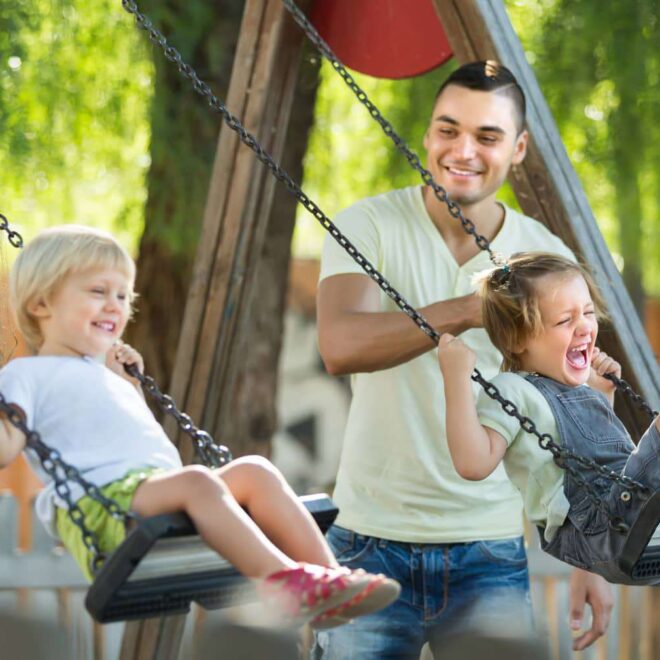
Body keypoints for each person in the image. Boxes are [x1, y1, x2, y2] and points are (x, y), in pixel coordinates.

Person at [314, 61, 613, 658]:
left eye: (488, 136)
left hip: (490, 550)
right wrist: (469, 309)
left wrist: (594, 560)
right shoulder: (367, 224)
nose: (463, 150)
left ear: (519, 147)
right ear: (426, 134)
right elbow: (340, 346)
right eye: (447, 130)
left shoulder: (545, 255)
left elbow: (571, 415)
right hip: (368, 541)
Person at [0, 225, 400, 629]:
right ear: (41, 304)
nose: (114, 306)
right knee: (197, 482)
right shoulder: (26, 375)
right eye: (98, 292)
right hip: (104, 507)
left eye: (123, 296)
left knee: (255, 471)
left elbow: (130, 437)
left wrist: (131, 385)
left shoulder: (107, 374)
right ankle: (285, 584)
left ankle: (329, 583)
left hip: (152, 488)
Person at [438, 252, 659, 583]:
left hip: (623, 518)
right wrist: (455, 379)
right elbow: (473, 464)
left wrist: (601, 395)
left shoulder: (579, 386)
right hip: (594, 528)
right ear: (517, 340)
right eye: (564, 321)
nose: (584, 325)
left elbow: (600, 454)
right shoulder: (512, 389)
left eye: (587, 312)